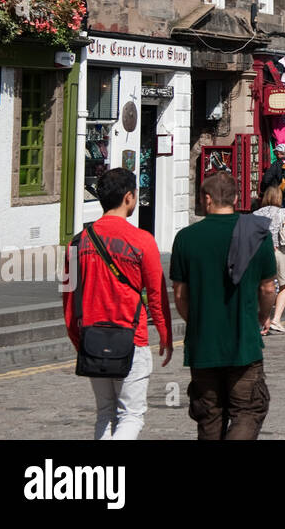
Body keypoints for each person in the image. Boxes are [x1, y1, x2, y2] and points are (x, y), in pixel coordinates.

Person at [63, 168, 174, 439]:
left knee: (105, 412)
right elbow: (156, 294)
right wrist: (164, 333)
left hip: (92, 336)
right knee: (131, 415)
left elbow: (68, 297)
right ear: (128, 197)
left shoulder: (76, 243)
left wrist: (78, 339)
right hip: (131, 338)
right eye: (136, 195)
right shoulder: (142, 240)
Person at [170, 172, 277, 440]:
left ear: (207, 199)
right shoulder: (257, 235)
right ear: (237, 198)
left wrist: (197, 321)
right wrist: (262, 317)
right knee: (247, 411)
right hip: (244, 341)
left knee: (209, 416)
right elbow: (267, 288)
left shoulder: (186, 237)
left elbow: (180, 294)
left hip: (203, 343)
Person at [253, 184, 285, 334]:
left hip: (260, 252)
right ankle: (276, 320)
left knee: (262, 286)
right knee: (284, 284)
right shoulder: (283, 212)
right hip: (279, 251)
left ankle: (261, 319)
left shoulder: (256, 213)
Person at [260, 146, 285, 220]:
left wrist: (263, 190)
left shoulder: (277, 164)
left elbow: (266, 179)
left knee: (277, 217)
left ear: (278, 153)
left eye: (275, 152)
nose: (275, 154)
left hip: (278, 195)